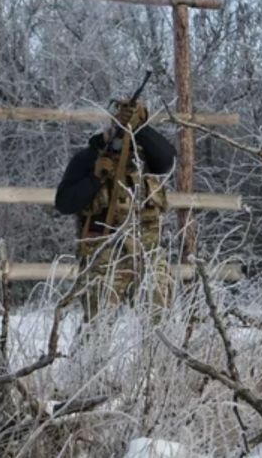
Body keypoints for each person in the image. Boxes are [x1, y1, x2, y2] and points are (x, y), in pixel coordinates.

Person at [55, 99, 177, 322]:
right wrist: (94, 178)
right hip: (103, 254)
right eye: (113, 125)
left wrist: (140, 127)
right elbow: (64, 203)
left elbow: (167, 160)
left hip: (146, 251)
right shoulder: (87, 159)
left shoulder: (144, 158)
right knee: (98, 324)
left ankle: (155, 358)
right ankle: (92, 358)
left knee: (159, 315)